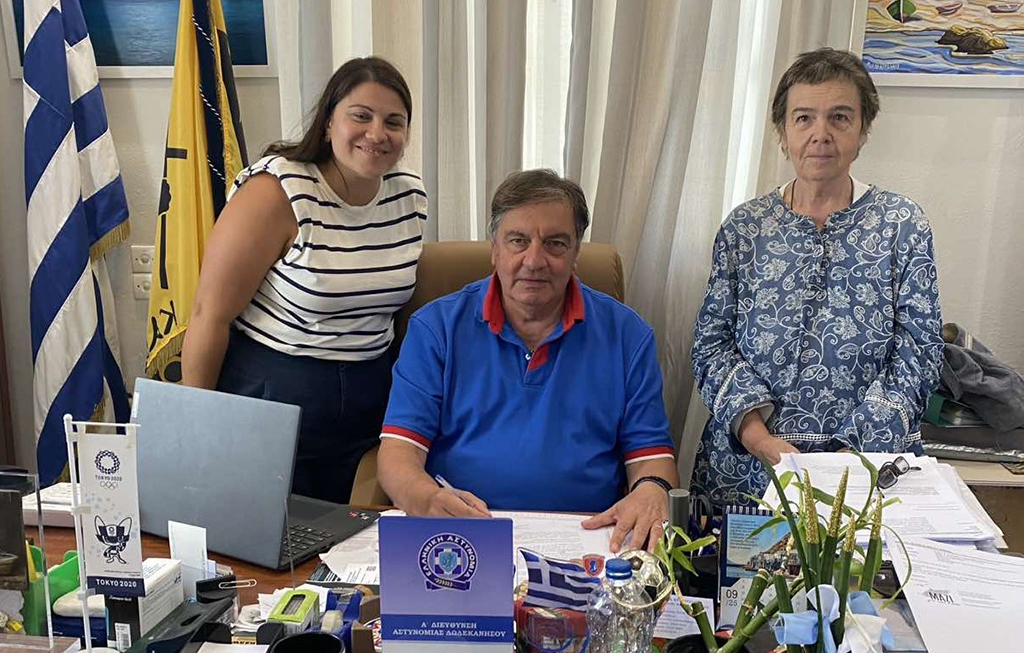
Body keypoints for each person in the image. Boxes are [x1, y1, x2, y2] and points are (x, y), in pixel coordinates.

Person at [690, 48, 943, 507]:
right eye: (804, 118)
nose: (820, 134)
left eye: (839, 118)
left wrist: (851, 454)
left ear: (863, 131)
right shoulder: (745, 228)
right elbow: (711, 344)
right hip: (750, 468)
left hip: (867, 467)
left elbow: (919, 352)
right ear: (782, 132)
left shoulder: (901, 224)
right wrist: (759, 438)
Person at [377, 169, 677, 552]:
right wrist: (427, 500)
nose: (534, 260)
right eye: (518, 241)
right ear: (495, 249)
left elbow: (652, 456)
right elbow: (398, 453)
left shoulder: (628, 336)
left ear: (576, 253)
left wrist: (653, 489)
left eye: (555, 244)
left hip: (585, 538)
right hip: (461, 534)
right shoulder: (436, 329)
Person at [181, 57, 427, 504]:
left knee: (351, 537)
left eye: (394, 122)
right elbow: (208, 315)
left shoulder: (410, 194)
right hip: (275, 390)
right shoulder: (277, 189)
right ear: (329, 120)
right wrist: (198, 425)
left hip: (372, 395)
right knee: (268, 533)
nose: (377, 133)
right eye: (361, 116)